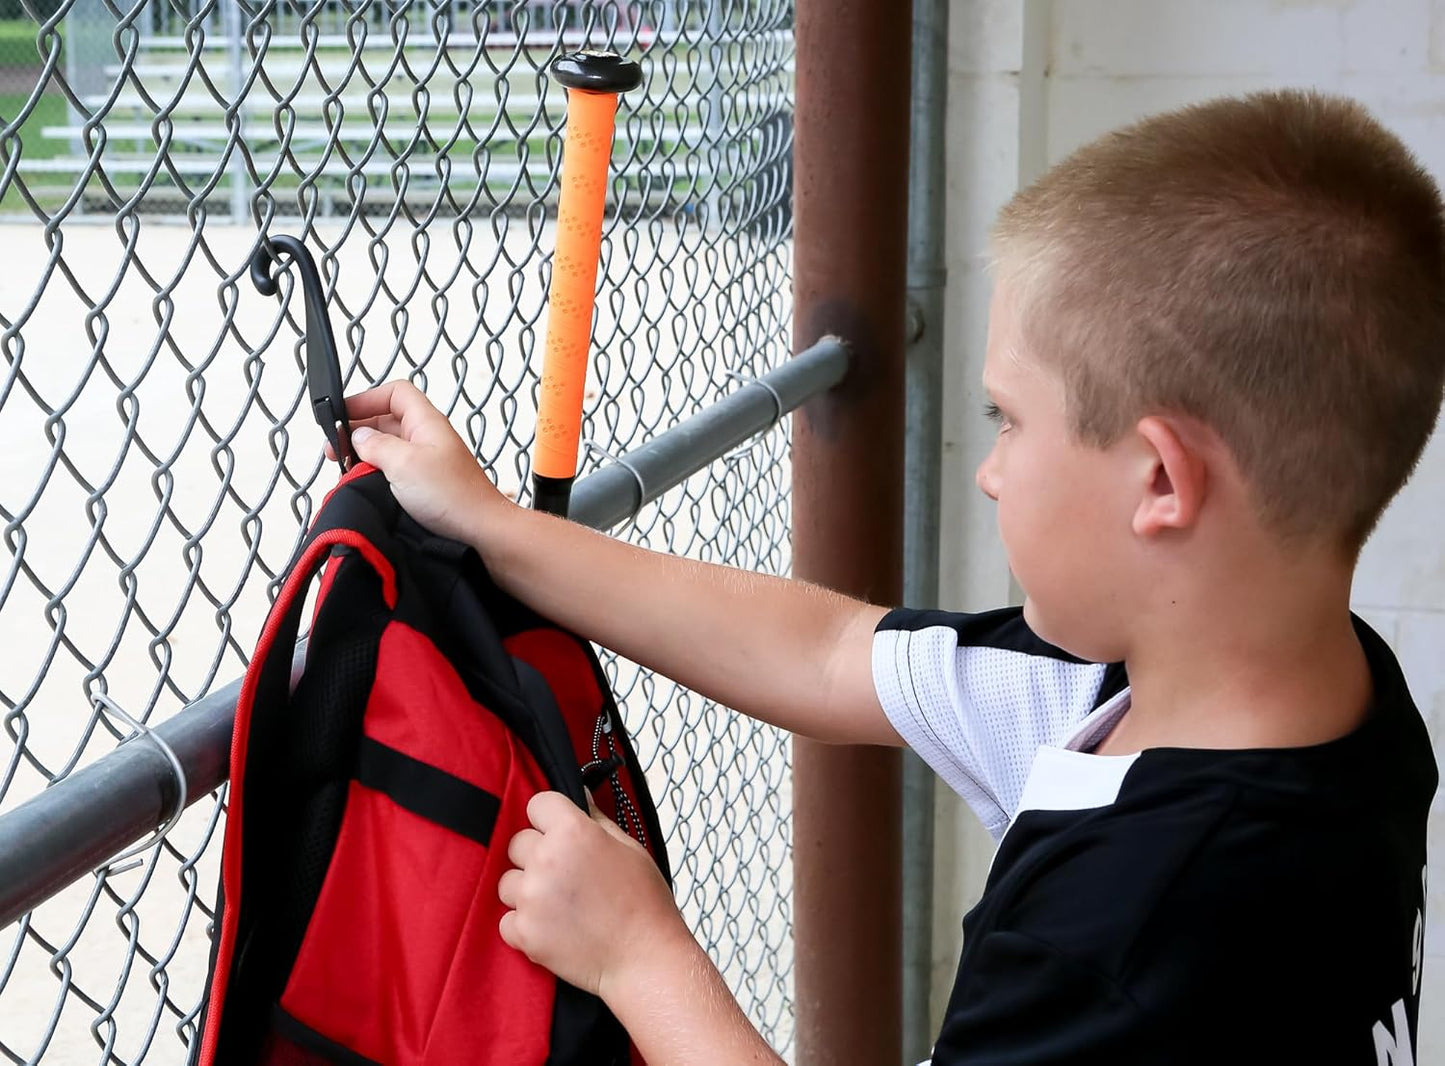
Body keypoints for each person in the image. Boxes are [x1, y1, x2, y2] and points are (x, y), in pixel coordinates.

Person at [332, 89, 1442, 1063]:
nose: (991, 474)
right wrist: (486, 522)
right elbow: (822, 653)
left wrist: (640, 957)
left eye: (1006, 421)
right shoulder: (1315, 699)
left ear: (1157, 478)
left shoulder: (1118, 935)